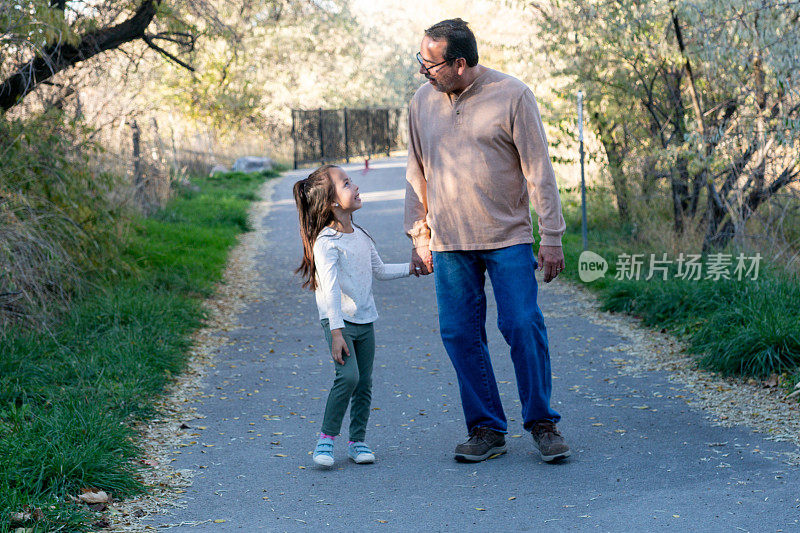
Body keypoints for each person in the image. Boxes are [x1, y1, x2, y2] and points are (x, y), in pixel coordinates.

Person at [404, 19, 571, 463]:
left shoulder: (512, 95)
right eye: (420, 58)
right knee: (460, 333)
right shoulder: (421, 102)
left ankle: (542, 422)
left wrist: (551, 236)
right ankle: (485, 428)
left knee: (521, 324)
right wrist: (419, 234)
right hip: (449, 242)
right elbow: (415, 172)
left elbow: (540, 171)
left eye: (431, 62)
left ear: (460, 63)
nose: (423, 69)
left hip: (507, 237)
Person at [294, 164, 418, 467]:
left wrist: (414, 268)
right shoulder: (326, 242)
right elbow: (331, 290)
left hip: (365, 320)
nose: (356, 187)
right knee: (348, 376)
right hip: (339, 323)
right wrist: (336, 333)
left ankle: (357, 441)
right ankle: (326, 440)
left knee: (364, 382)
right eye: (347, 183)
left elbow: (380, 270)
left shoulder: (360, 235)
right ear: (333, 202)